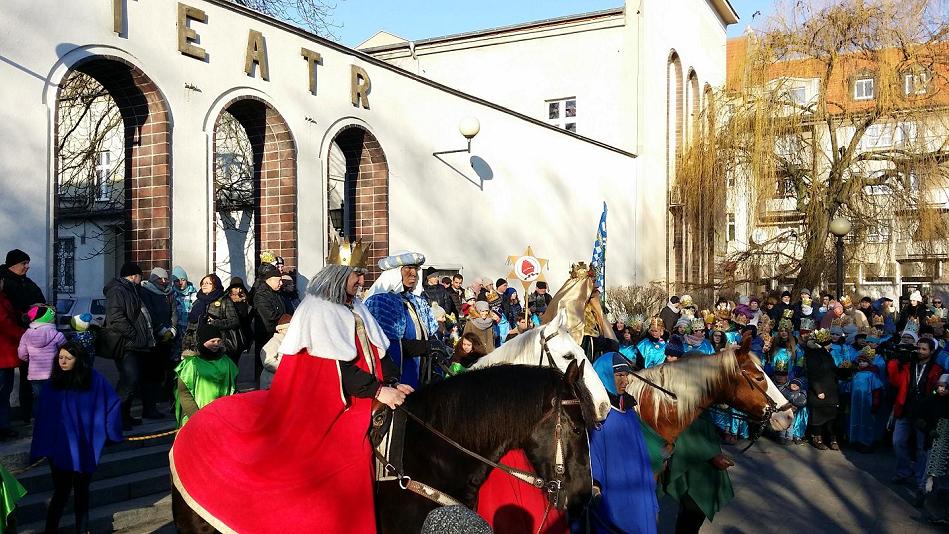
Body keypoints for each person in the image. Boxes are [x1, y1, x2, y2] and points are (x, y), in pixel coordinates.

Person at [171, 239, 409, 533]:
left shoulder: (357, 306)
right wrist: (377, 390)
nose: (362, 280)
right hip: (328, 404)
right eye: (356, 274)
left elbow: (379, 351)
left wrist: (394, 382)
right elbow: (336, 368)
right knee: (351, 455)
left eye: (362, 273)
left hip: (365, 394)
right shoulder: (317, 309)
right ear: (337, 275)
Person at [31, 340, 122, 534]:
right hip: (58, 448)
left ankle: (82, 529)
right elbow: (43, 418)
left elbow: (112, 405)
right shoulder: (52, 384)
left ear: (78, 359)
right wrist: (43, 445)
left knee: (82, 492)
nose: (62, 361)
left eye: (68, 358)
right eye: (60, 357)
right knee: (61, 493)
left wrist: (110, 433)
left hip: (84, 446)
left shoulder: (94, 380)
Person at [587, 353, 658, 533]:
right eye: (619, 375)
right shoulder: (598, 416)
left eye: (626, 375)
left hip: (639, 492)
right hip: (615, 496)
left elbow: (642, 454)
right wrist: (596, 485)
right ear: (604, 375)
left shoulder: (629, 410)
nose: (625, 380)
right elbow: (594, 454)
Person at [365, 252, 437, 388]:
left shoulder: (417, 301)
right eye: (408, 268)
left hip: (421, 375)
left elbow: (430, 332)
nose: (414, 274)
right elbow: (383, 345)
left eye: (416, 269)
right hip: (397, 378)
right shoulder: (380, 302)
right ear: (394, 273)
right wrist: (424, 347)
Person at [101, 263, 154, 430]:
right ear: (134, 276)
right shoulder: (118, 290)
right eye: (140, 277)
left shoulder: (130, 289)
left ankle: (125, 415)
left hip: (133, 344)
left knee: (131, 380)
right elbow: (116, 317)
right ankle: (115, 418)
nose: (141, 281)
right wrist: (134, 334)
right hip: (125, 344)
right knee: (128, 381)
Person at [889, 337, 943, 493]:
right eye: (918, 348)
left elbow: (938, 392)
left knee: (922, 449)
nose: (920, 351)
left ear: (932, 351)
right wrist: (895, 361)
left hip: (924, 415)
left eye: (924, 349)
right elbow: (895, 382)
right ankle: (904, 471)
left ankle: (921, 480)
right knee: (897, 442)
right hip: (905, 410)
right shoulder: (908, 365)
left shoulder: (936, 369)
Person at [1, 249, 46, 424]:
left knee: (30, 378)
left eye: (27, 263)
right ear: (13, 265)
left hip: (29, 336)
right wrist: (31, 310)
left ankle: (28, 415)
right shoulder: (7, 284)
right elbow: (9, 316)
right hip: (16, 339)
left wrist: (41, 308)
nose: (27, 267)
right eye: (24, 263)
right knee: (7, 385)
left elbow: (37, 301)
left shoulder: (26, 282)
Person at [175, 322, 239, 427]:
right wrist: (197, 417)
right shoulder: (191, 364)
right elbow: (185, 394)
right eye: (212, 341)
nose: (216, 344)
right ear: (203, 341)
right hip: (196, 418)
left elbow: (233, 388)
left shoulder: (227, 362)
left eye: (219, 341)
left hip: (222, 417)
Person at [139, 267, 178, 419]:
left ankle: (157, 404)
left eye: (165, 278)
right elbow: (150, 313)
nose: (163, 281)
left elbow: (173, 311)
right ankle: (149, 407)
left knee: (161, 374)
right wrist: (161, 329)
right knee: (151, 374)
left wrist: (172, 329)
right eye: (159, 279)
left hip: (167, 339)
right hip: (154, 339)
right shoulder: (147, 292)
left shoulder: (169, 293)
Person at [17, 304, 65, 417]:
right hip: (53, 373)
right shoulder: (57, 334)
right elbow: (65, 352)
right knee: (54, 398)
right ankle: (54, 421)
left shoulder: (26, 335)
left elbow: (21, 354)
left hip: (35, 374)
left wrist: (30, 359)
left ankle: (38, 423)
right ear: (48, 319)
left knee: (38, 399)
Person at [805, 329, 841, 450]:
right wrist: (818, 390)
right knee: (818, 416)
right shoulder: (813, 354)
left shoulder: (826, 353)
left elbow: (833, 370)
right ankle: (817, 437)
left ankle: (832, 438)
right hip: (820, 390)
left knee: (832, 416)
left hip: (830, 388)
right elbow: (812, 373)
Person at [252, 264, 287, 381]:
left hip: (276, 333)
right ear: (269, 280)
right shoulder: (261, 294)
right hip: (266, 335)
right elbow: (270, 315)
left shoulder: (276, 293)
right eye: (279, 280)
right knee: (266, 362)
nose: (281, 283)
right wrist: (285, 319)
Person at [0, 278, 24, 439]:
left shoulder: (3, 297)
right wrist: (25, 333)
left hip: (5, 354)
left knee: (4, 392)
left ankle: (4, 426)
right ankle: (2, 427)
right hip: (2, 355)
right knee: (2, 393)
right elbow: (5, 324)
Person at [849, 348, 884, 453]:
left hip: (867, 402)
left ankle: (867, 442)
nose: (861, 363)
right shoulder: (855, 374)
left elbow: (877, 389)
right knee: (856, 419)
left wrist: (875, 402)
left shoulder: (872, 374)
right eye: (860, 361)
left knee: (867, 422)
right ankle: (856, 440)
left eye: (864, 361)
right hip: (856, 402)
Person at [259, 314, 292, 390]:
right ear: (280, 330)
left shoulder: (288, 342)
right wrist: (286, 367)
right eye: (288, 329)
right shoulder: (274, 342)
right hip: (270, 383)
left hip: (279, 382)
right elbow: (268, 362)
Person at [171, 266, 197, 360]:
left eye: (183, 280)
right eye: (177, 280)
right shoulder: (171, 294)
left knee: (189, 357)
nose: (180, 283)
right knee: (175, 359)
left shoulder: (195, 294)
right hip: (176, 331)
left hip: (190, 330)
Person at [778, 375, 808, 445]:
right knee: (782, 424)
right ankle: (781, 437)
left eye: (797, 385)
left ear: (799, 387)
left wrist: (792, 400)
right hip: (783, 411)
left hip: (792, 412)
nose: (795, 385)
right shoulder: (785, 390)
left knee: (790, 425)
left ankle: (789, 438)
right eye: (793, 383)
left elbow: (801, 402)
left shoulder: (801, 393)